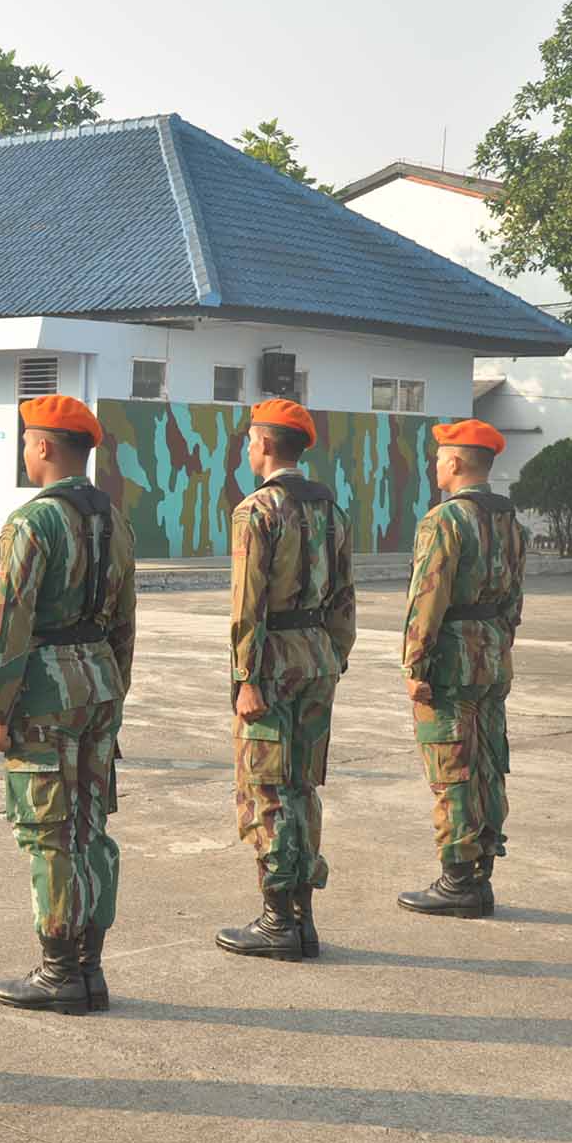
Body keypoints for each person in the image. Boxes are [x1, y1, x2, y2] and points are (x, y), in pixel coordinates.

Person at [0, 395, 136, 1015]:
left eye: (28, 441)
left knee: (49, 829)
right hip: (100, 682)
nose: (26, 451)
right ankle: (89, 967)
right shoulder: (114, 519)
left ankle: (57, 969)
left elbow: (12, 623)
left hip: (44, 690)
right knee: (90, 824)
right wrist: (114, 685)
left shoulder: (33, 523)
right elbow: (126, 618)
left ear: (45, 446)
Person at [215, 398, 355, 962]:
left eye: (251, 439)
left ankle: (277, 919)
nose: (249, 448)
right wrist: (333, 655)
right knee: (301, 785)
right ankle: (302, 917)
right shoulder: (332, 509)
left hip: (272, 664)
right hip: (318, 657)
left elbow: (247, 605)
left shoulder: (257, 511)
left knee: (266, 790)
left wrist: (245, 676)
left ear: (266, 444)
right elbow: (346, 596)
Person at [396, 420, 526, 918]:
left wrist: (415, 663)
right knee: (490, 765)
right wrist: (498, 643)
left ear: (455, 463)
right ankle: (482, 873)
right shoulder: (508, 518)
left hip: (450, 661)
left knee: (452, 767)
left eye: (439, 458)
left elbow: (427, 597)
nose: (435, 465)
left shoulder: (445, 520)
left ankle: (457, 880)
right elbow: (515, 597)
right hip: (493, 659)